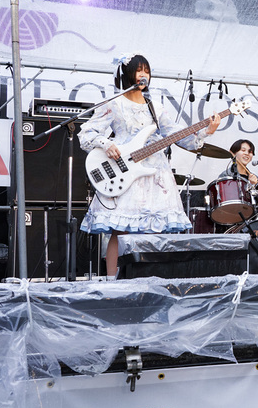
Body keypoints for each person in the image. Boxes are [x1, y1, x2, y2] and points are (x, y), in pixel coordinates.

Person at [79, 54, 222, 276]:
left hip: (154, 173)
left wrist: (206, 132)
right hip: (123, 170)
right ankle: (111, 280)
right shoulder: (114, 104)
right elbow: (86, 134)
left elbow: (177, 135)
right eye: (139, 70)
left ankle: (145, 279)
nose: (144, 74)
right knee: (120, 231)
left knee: (150, 230)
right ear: (128, 74)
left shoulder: (155, 107)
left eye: (147, 70)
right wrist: (106, 144)